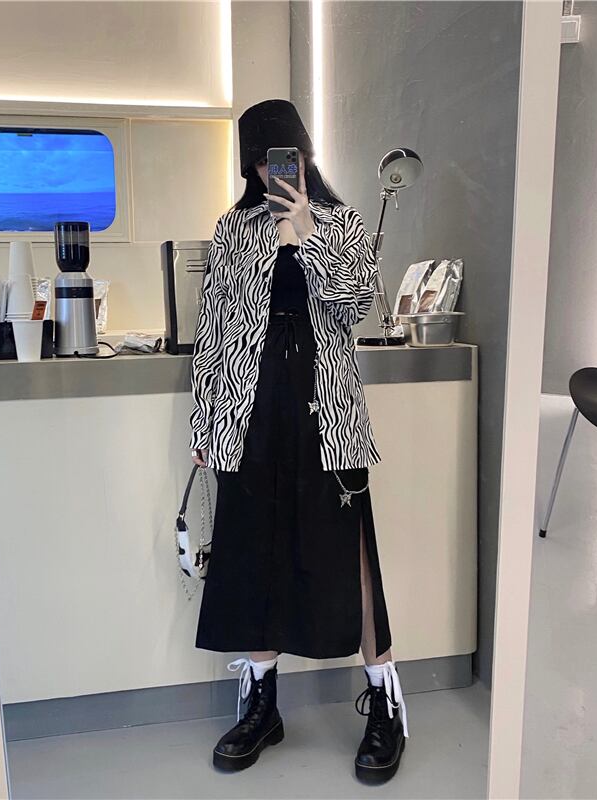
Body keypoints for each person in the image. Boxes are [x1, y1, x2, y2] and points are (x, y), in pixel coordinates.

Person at [188, 98, 408, 785]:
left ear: (306, 156)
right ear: (249, 168)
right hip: (250, 412)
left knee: (351, 554)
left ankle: (386, 707)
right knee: (253, 554)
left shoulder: (342, 223)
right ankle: (261, 706)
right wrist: (205, 423)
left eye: (284, 157)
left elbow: (356, 306)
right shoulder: (233, 229)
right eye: (261, 161)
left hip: (326, 411)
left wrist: (307, 235)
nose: (274, 171)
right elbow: (213, 330)